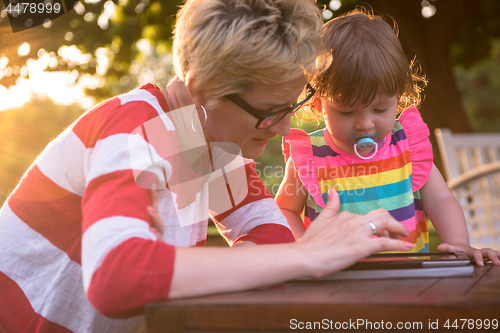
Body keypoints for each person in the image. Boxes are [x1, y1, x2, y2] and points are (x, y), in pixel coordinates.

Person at [0, 2, 415, 332]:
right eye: (269, 112)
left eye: (292, 106)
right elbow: (117, 277)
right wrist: (306, 256)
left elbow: (268, 230)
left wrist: (294, 254)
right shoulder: (137, 128)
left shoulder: (201, 142)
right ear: (202, 89)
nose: (286, 125)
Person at [276, 9, 500, 265]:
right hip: (335, 285)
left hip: (407, 280)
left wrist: (459, 245)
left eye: (380, 109)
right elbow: (285, 209)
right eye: (347, 111)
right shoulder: (310, 157)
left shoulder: (407, 146)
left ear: (399, 97)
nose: (365, 123)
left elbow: (440, 199)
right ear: (318, 103)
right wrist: (305, 248)